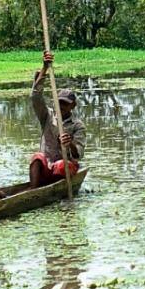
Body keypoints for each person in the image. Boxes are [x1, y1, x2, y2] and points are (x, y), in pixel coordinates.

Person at [29, 50, 86, 188]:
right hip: (47, 166)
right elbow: (35, 97)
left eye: (65, 104)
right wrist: (45, 68)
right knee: (36, 157)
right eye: (59, 102)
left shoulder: (77, 126)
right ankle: (33, 191)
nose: (61, 106)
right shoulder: (47, 116)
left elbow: (78, 154)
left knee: (62, 165)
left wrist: (69, 143)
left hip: (64, 167)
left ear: (73, 105)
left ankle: (57, 189)